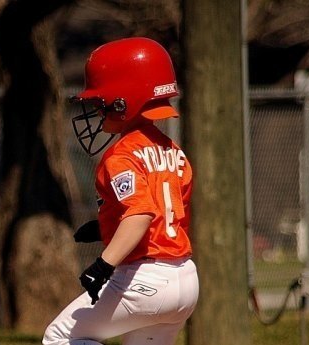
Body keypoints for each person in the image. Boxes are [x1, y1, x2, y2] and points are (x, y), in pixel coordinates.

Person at [43, 37, 199, 345]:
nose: (97, 112)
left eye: (101, 103)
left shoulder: (122, 154)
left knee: (58, 337)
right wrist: (108, 226)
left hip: (145, 280)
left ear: (124, 101)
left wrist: (103, 265)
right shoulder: (175, 152)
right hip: (185, 279)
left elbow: (140, 215)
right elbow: (163, 215)